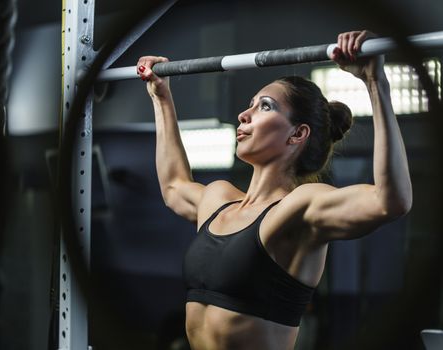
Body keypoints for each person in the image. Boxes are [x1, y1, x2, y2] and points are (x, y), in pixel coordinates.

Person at [136, 30, 412, 350]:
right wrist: (160, 95)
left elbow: (390, 202)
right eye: (249, 104)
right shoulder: (219, 198)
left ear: (297, 134)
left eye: (264, 106)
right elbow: (173, 187)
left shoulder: (300, 207)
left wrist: (375, 83)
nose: (244, 114)